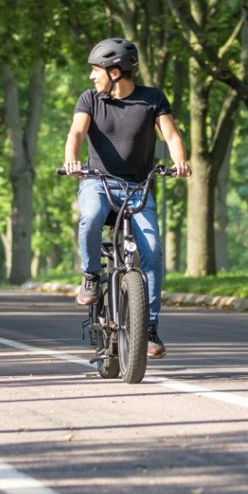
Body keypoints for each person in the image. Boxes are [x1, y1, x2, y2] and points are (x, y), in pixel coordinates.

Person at [63, 38, 191, 359]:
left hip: (138, 187)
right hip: (97, 182)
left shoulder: (152, 99)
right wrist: (71, 159)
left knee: (153, 250)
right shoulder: (90, 100)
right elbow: (76, 134)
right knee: (91, 217)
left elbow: (171, 135)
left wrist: (180, 162)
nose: (92, 76)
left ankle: (148, 328)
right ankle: (91, 276)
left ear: (116, 72)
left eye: (97, 70)